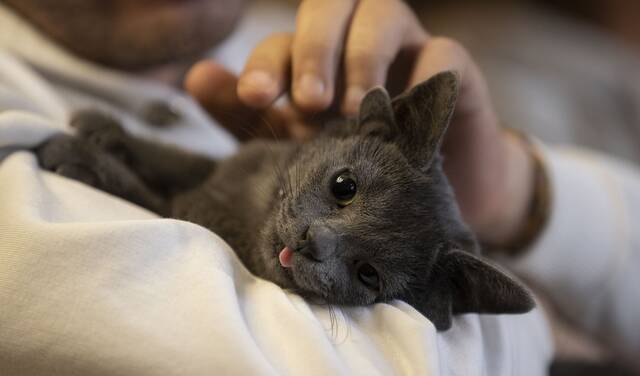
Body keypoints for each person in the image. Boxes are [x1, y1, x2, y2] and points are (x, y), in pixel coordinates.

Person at [0, 0, 637, 374]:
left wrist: (519, 193)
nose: (316, 242)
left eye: (364, 275)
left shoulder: (299, 40)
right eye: (340, 189)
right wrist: (542, 330)